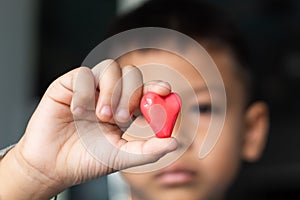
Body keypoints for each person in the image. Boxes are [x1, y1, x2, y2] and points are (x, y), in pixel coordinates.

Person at [0, 0, 269, 200]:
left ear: (251, 131)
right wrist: (32, 174)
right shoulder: (31, 180)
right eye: (141, 110)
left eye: (203, 108)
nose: (173, 139)